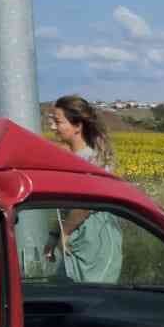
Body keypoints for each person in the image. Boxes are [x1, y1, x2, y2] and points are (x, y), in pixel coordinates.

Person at [47, 94, 123, 282]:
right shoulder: (72, 158)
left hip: (95, 244)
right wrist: (55, 235)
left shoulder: (92, 161)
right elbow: (67, 207)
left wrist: (64, 233)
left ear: (77, 126)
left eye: (58, 122)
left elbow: (86, 204)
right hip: (76, 238)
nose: (52, 127)